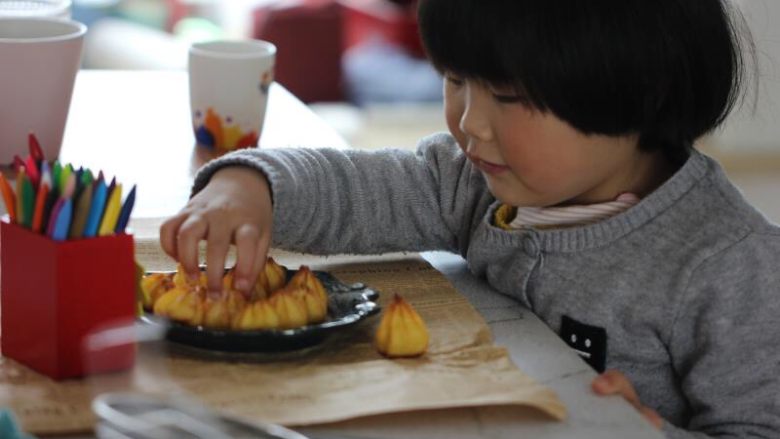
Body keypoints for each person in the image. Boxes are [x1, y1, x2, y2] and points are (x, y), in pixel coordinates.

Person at [160, 0, 780, 437]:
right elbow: (360, 185)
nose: (468, 123)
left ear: (640, 90)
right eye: (456, 80)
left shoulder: (730, 265)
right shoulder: (472, 179)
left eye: (507, 96)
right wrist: (251, 185)